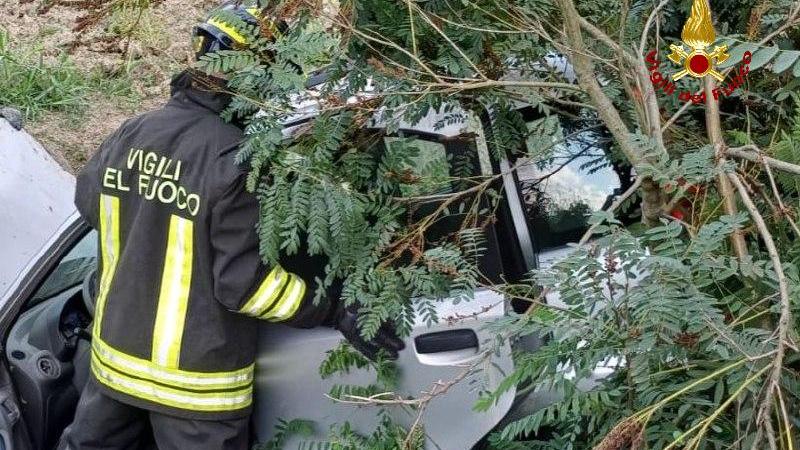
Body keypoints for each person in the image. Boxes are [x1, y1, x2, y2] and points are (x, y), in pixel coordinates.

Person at [58, 3, 403, 449]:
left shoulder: (133, 132)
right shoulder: (236, 160)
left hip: (114, 367)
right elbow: (246, 287)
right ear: (254, 78)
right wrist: (335, 310)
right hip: (195, 390)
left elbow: (91, 203)